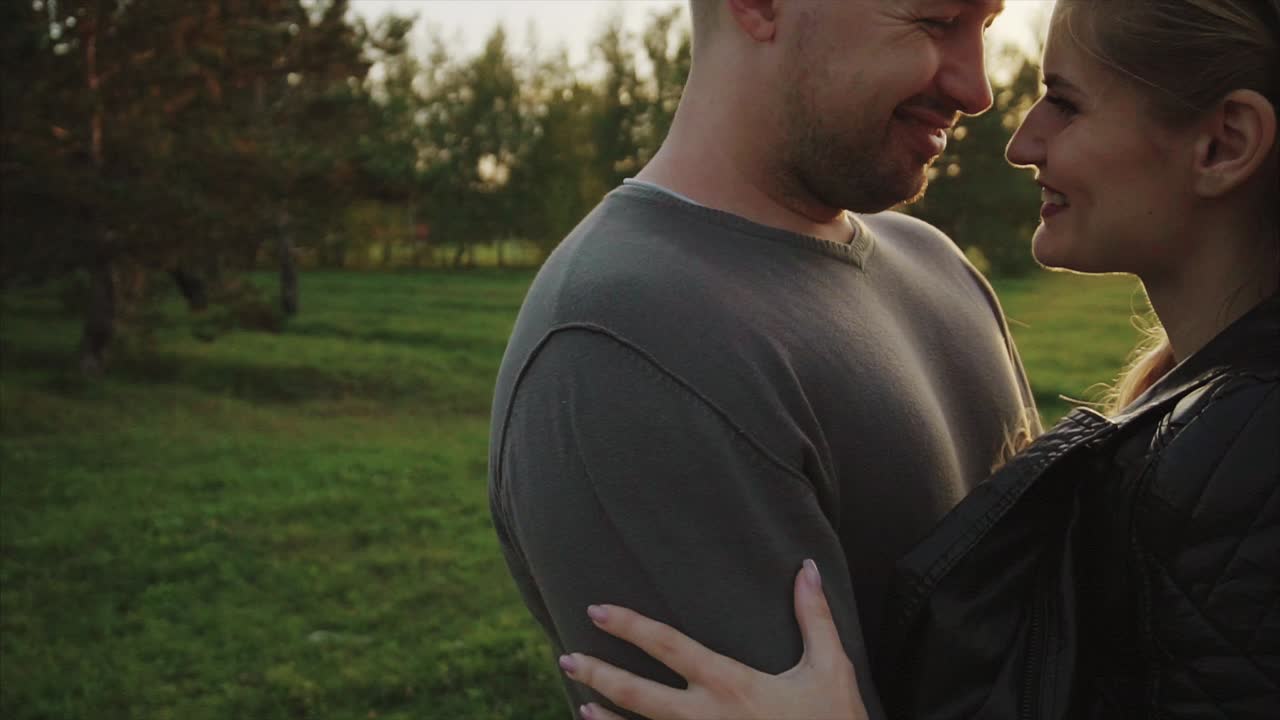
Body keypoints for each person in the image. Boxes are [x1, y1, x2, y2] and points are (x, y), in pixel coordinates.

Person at [557, 0, 1280, 717]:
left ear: (1224, 145)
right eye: (936, 21)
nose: (997, 112)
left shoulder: (1243, 451)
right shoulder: (621, 336)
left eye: (1064, 102)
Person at [487, 0, 1029, 717]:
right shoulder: (625, 342)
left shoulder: (935, 264)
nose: (977, 89)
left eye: (984, 28)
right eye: (934, 21)